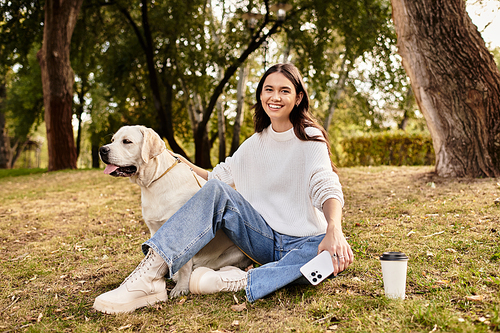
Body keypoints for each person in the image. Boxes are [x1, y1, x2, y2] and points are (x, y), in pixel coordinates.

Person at [93, 63, 354, 314]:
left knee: (328, 260)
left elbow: (325, 184)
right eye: (268, 89)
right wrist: (181, 162)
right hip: (262, 237)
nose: (275, 97)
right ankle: (150, 274)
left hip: (305, 240)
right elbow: (217, 177)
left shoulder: (310, 137)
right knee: (217, 190)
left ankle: (235, 281)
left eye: (284, 90)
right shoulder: (255, 143)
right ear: (261, 95)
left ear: (298, 98)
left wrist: (334, 229)